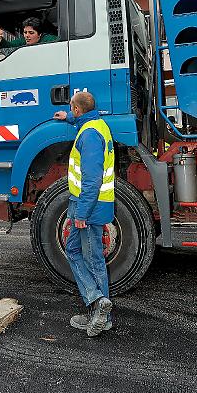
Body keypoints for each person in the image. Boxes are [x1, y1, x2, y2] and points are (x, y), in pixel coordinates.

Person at [54, 92, 114, 337]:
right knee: (74, 251)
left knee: (93, 260)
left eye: (71, 109)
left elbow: (92, 179)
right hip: (90, 204)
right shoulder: (96, 124)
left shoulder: (89, 135)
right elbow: (81, 117)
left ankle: (101, 310)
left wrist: (82, 213)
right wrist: (67, 117)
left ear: (78, 109)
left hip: (89, 206)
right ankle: (97, 303)